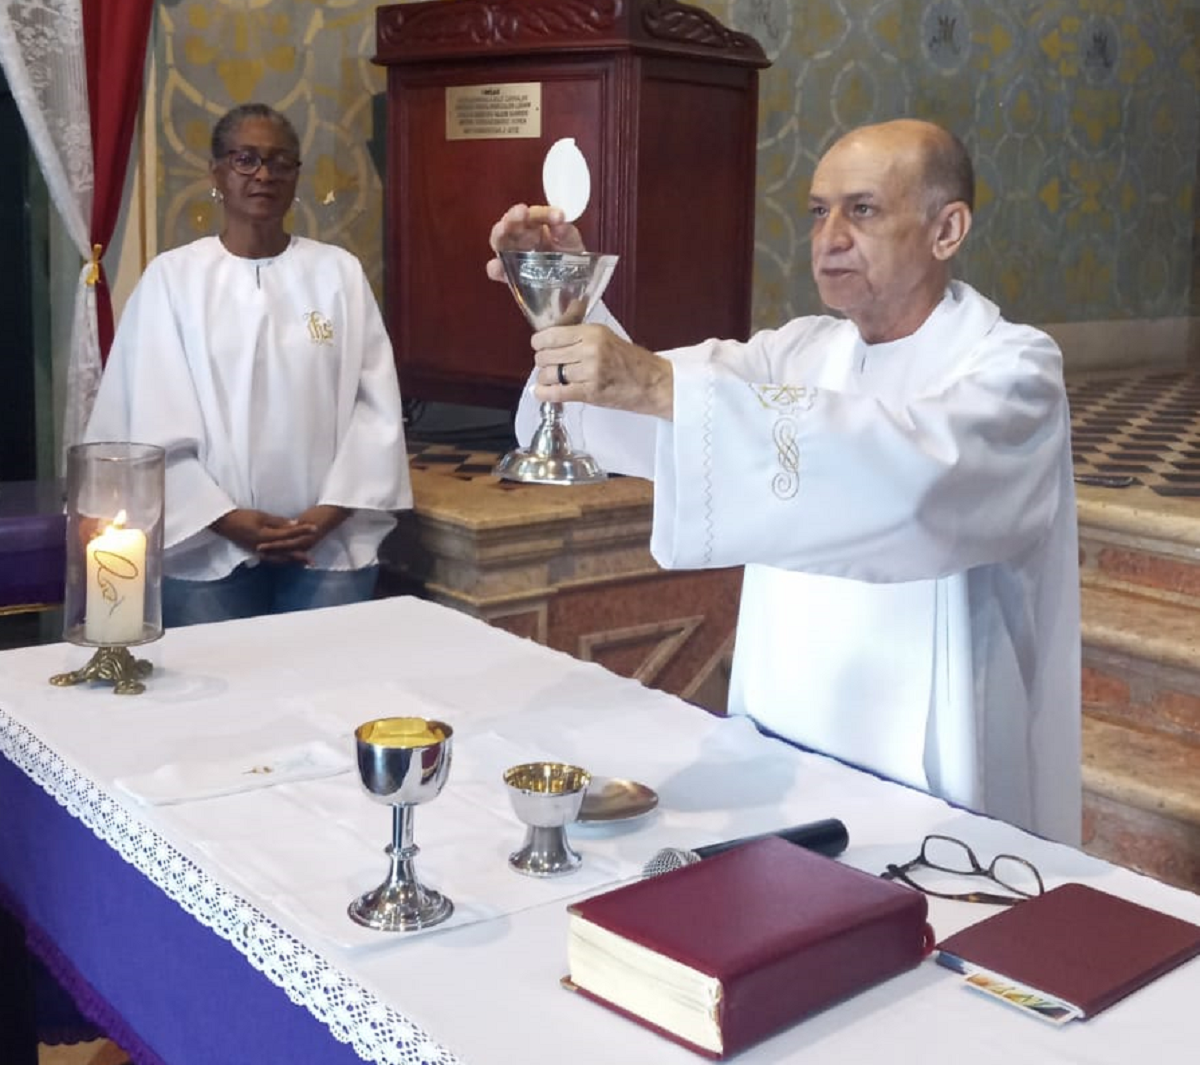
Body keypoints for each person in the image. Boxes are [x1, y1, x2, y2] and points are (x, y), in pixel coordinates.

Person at [487, 119, 1081, 845]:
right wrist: (569, 305)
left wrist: (664, 388)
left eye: (861, 209)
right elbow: (652, 410)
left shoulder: (1013, 368)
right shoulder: (799, 349)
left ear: (947, 229)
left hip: (936, 762)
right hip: (784, 741)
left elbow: (920, 485)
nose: (829, 235)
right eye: (817, 210)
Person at [87, 103, 410, 626]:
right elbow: (151, 418)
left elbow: (375, 409)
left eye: (281, 162)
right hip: (205, 547)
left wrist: (329, 515)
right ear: (217, 172)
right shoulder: (173, 280)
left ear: (296, 176)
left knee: (329, 692)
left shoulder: (337, 274)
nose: (264, 174)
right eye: (246, 159)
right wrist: (227, 520)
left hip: (327, 545)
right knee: (222, 701)